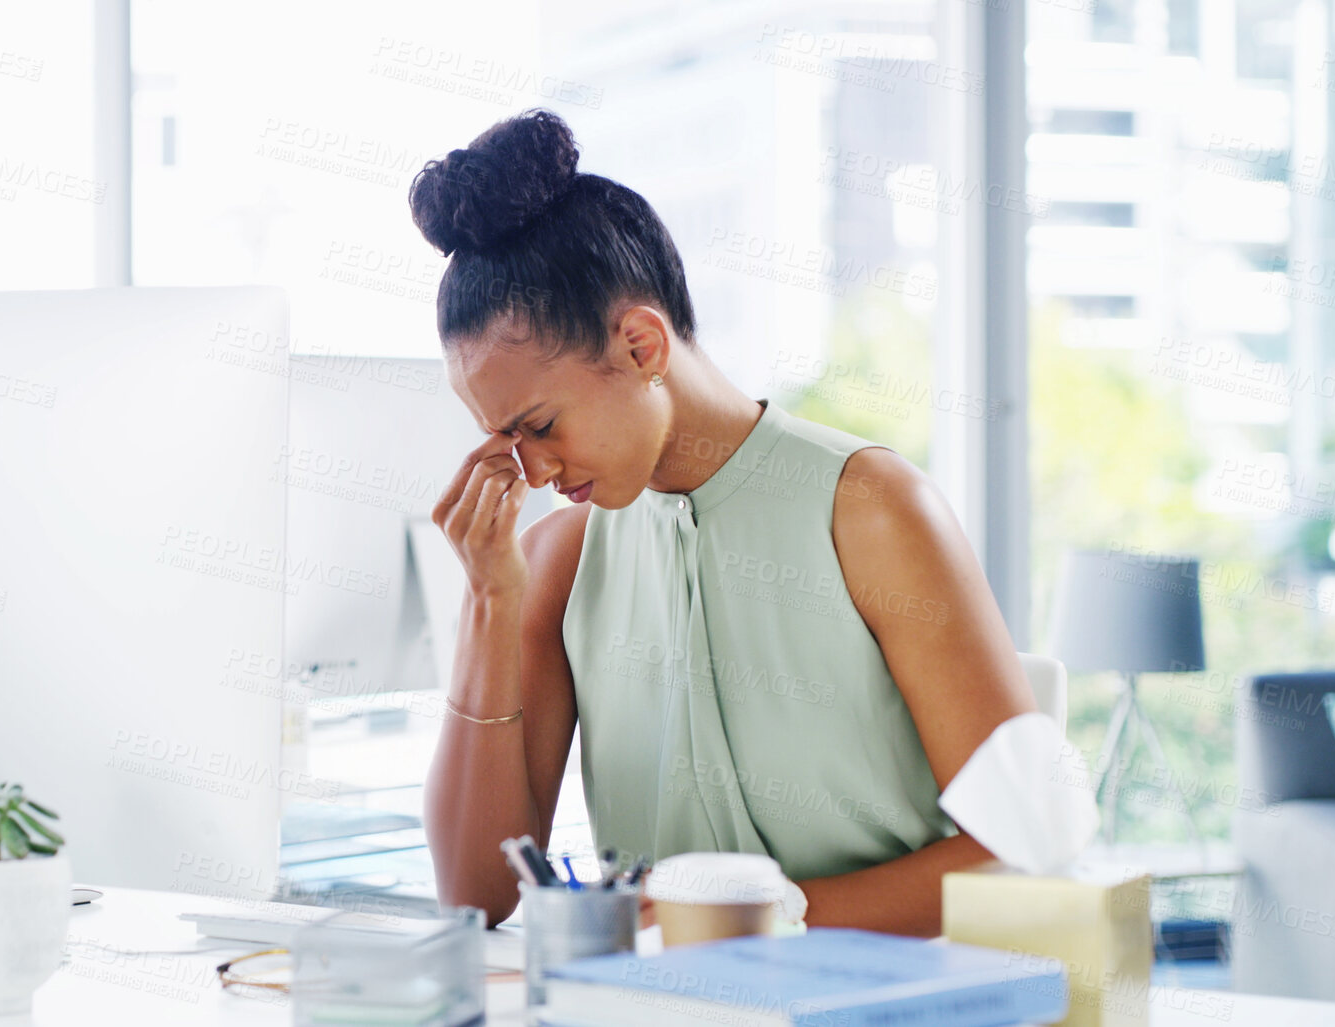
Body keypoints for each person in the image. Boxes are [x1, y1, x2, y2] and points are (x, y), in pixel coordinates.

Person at [411, 109, 1033, 934]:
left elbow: (1023, 849)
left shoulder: (871, 509)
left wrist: (748, 918)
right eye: (503, 440)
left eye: (540, 425)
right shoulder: (557, 560)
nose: (531, 469)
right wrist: (488, 602)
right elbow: (476, 895)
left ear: (640, 345)